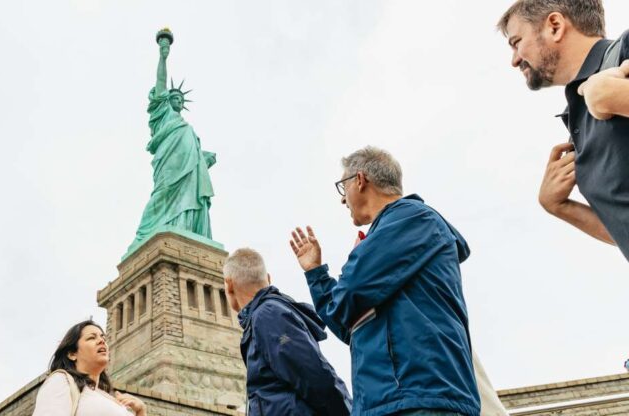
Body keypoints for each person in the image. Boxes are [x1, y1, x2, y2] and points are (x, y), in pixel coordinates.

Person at [289, 146, 480, 416]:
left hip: (418, 399)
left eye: (343, 188)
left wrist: (358, 259)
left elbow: (347, 296)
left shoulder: (411, 220)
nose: (343, 201)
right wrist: (316, 272)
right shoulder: (399, 229)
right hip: (393, 400)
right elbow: (346, 324)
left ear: (359, 180)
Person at [498, 0, 629, 261]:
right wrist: (560, 207)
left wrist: (617, 97)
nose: (514, 60)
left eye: (516, 42)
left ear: (555, 26)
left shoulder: (624, 50)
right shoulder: (576, 123)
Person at [223, 248, 352, 416]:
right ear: (268, 278)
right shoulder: (263, 316)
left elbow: (315, 377)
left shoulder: (267, 315)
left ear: (229, 284)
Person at [127, 29, 216, 253]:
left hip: (189, 170)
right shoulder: (162, 115)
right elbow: (160, 81)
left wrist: (203, 159)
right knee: (162, 195)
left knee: (189, 198)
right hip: (168, 164)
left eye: (180, 98)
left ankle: (184, 229)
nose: (177, 99)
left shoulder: (186, 127)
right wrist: (163, 54)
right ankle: (146, 234)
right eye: (174, 97)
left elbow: (194, 156)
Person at [32, 320, 146, 416]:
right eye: (92, 338)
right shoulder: (61, 381)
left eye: (103, 338)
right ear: (72, 354)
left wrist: (141, 411)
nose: (101, 341)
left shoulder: (109, 398)